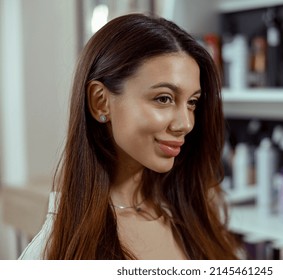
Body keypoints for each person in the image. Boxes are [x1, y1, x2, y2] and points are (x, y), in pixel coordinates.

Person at [19, 13, 240, 260]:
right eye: (164, 98)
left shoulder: (195, 214)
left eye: (192, 102)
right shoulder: (53, 253)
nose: (186, 124)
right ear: (100, 102)